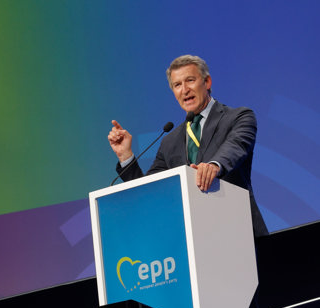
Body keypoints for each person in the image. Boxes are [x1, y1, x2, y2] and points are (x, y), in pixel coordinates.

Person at [108, 54, 268, 237]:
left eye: (190, 80)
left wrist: (214, 165)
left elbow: (235, 147)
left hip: (241, 233)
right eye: (177, 85)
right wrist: (125, 156)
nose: (184, 90)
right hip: (195, 240)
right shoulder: (170, 141)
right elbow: (149, 193)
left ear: (207, 82)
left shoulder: (238, 117)